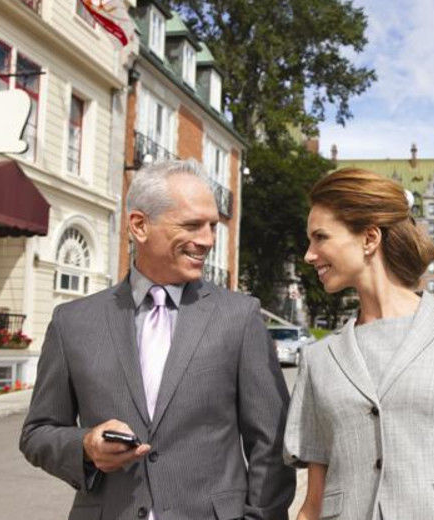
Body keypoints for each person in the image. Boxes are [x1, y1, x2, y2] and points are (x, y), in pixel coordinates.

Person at [20, 159, 295, 520]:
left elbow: (271, 444)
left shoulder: (239, 317)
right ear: (139, 225)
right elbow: (38, 433)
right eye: (193, 225)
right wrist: (84, 447)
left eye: (212, 226)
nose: (208, 240)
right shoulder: (72, 322)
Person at [285, 168, 434, 520]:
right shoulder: (319, 358)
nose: (309, 254)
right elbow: (314, 503)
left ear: (369, 238)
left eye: (320, 238)